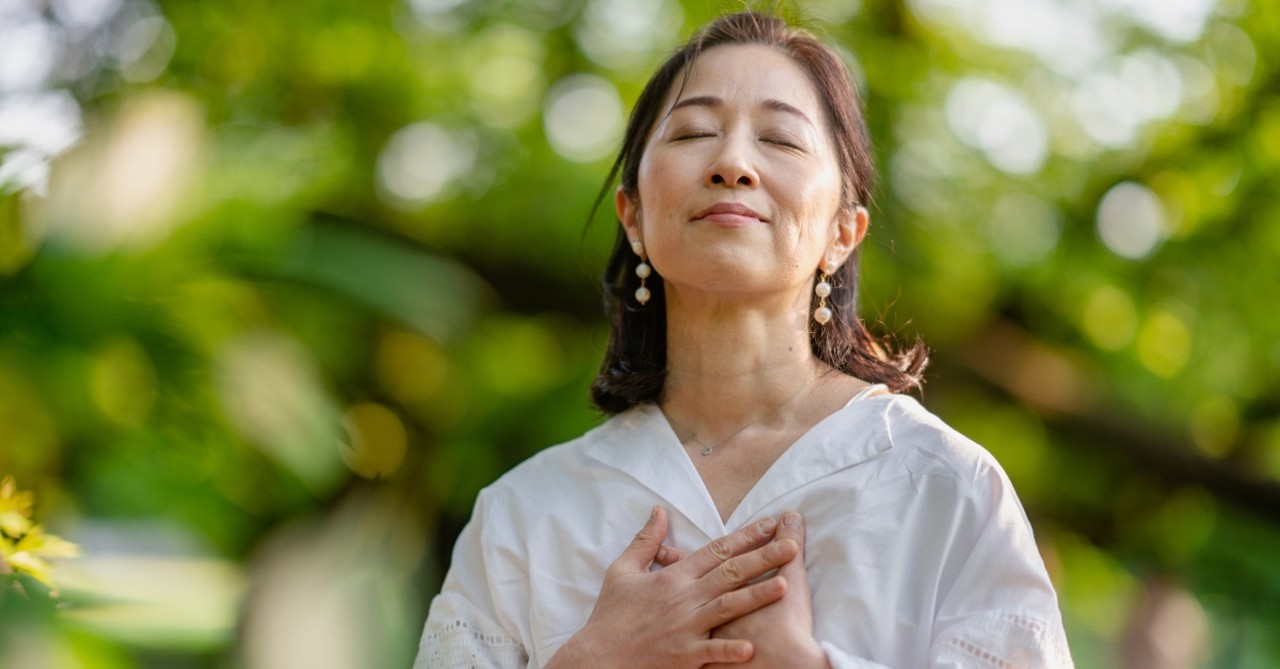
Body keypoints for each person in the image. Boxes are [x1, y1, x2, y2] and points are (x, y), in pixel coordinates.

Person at [415, 10, 1073, 669]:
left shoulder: (945, 488)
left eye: (781, 140)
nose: (732, 162)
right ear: (634, 216)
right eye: (695, 132)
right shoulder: (524, 516)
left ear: (844, 231)